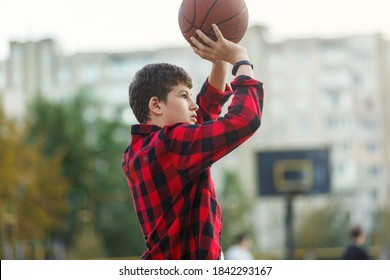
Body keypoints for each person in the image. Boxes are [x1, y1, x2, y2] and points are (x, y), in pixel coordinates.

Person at [121, 24, 264, 259]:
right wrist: (240, 59)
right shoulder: (171, 144)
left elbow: (205, 109)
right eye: (183, 96)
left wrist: (219, 61)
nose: (193, 104)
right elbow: (244, 119)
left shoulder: (142, 151)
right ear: (155, 105)